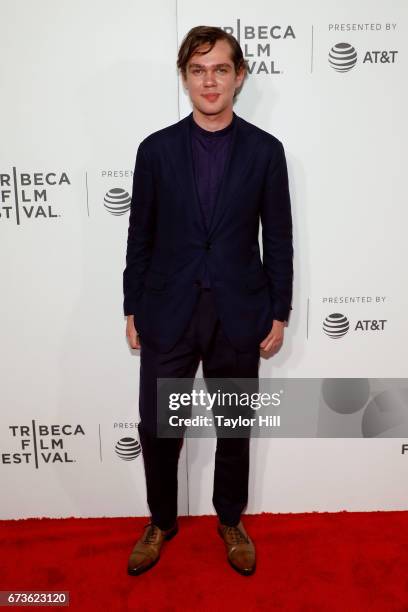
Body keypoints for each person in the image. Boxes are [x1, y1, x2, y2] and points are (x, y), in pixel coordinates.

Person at [123, 25, 293, 577]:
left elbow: (280, 238)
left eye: (221, 69)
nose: (210, 80)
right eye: (198, 70)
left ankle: (229, 520)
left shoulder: (267, 152)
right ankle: (161, 521)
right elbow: (139, 237)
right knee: (158, 427)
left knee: (234, 427)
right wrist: (132, 306)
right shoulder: (155, 151)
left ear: (239, 76)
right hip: (168, 313)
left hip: (240, 313)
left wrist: (280, 309)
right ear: (185, 78)